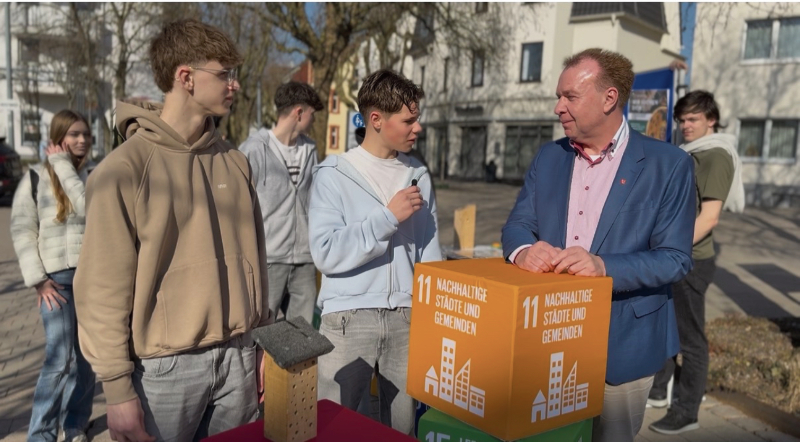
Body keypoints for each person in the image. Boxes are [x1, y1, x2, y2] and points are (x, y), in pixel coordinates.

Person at [73, 19, 271, 442]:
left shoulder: (236, 162)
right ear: (186, 77)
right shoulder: (122, 171)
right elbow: (101, 290)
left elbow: (257, 261)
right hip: (165, 372)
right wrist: (117, 391)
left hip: (239, 358)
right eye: (224, 75)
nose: (234, 85)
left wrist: (262, 340)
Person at [501, 48, 695, 442]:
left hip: (623, 344)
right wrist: (523, 250)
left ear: (609, 99)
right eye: (559, 96)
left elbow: (675, 259)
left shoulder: (668, 164)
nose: (558, 107)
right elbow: (518, 225)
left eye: (569, 96)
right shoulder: (549, 156)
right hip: (549, 343)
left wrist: (604, 266)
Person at [308, 69, 441, 435]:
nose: (417, 128)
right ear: (377, 120)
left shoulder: (419, 175)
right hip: (348, 321)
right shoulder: (333, 173)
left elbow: (430, 253)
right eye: (409, 120)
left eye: (418, 119)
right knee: (333, 428)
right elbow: (326, 252)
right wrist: (386, 219)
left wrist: (433, 316)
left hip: (407, 320)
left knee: (400, 430)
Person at [648, 91, 744, 435]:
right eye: (682, 120)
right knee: (664, 330)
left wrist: (665, 248)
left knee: (690, 340)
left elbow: (710, 218)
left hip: (690, 261)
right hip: (672, 257)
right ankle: (658, 393)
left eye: (693, 120)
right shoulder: (687, 153)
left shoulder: (715, 155)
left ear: (711, 120)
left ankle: (686, 411)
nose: (685, 126)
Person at [10, 110, 96, 442]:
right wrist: (38, 280)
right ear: (58, 137)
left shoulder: (92, 175)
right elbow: (21, 231)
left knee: (86, 357)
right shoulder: (34, 178)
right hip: (55, 282)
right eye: (74, 134)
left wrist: (64, 167)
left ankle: (75, 423)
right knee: (58, 358)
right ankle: (41, 433)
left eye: (86, 134)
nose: (82, 140)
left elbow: (92, 208)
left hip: (89, 280)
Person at [238, 81, 324, 323]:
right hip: (269, 260)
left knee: (303, 336)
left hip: (305, 261)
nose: (313, 121)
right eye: (312, 114)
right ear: (299, 112)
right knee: (261, 331)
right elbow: (240, 205)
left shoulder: (310, 150)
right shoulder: (254, 149)